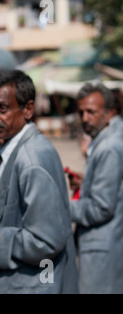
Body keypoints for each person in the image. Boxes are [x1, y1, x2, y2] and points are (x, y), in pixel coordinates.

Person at [0, 70, 78, 293]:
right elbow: (14, 219)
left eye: (1, 109)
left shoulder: (32, 159)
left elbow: (45, 240)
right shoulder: (13, 150)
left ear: (28, 109)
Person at [68, 83, 123, 294]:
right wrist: (87, 183)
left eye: (91, 112)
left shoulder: (109, 146)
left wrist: (63, 206)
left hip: (102, 251)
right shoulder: (107, 139)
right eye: (81, 112)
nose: (84, 118)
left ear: (109, 113)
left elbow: (101, 208)